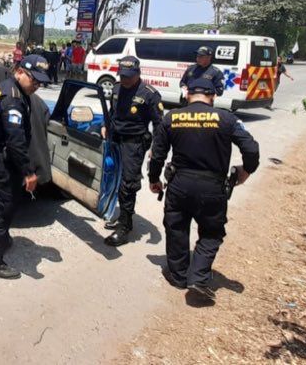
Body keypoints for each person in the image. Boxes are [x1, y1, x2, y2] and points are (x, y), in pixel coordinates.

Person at [148, 78, 259, 301]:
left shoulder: (172, 117)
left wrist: (154, 179)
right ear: (213, 96)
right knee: (211, 232)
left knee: (176, 227)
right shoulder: (227, 118)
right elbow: (251, 148)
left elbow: (157, 153)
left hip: (179, 184)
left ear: (187, 94)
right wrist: (246, 171)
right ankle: (198, 277)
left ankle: (179, 276)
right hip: (212, 186)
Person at [0, 54, 52, 279]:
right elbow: (15, 142)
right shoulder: (12, 99)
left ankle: (2, 239)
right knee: (2, 210)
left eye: (40, 82)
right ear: (21, 71)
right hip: (4, 160)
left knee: (5, 204)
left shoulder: (7, 86)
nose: (37, 86)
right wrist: (29, 172)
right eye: (34, 80)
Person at [101, 56, 164, 246]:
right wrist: (106, 125)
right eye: (122, 76)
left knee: (128, 184)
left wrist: (155, 148)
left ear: (138, 73)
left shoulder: (149, 94)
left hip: (134, 144)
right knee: (112, 179)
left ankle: (125, 226)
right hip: (115, 140)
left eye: (129, 76)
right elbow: (113, 112)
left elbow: (160, 124)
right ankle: (116, 212)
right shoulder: (117, 88)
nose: (125, 80)